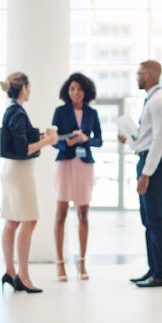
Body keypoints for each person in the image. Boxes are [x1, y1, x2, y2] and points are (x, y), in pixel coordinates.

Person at [0, 72, 58, 294]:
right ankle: (23, 275)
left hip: (10, 170)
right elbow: (23, 149)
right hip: (21, 172)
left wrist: (41, 137)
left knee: (12, 220)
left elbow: (18, 141)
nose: (30, 90)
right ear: (23, 88)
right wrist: (48, 141)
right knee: (29, 220)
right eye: (29, 87)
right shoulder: (18, 113)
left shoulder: (11, 111)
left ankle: (10, 271)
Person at [118, 60, 162, 288]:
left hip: (156, 163)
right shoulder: (152, 100)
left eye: (139, 74)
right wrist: (130, 140)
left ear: (150, 75)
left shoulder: (159, 101)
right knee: (148, 220)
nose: (137, 77)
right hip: (149, 160)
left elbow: (160, 141)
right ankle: (154, 269)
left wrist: (146, 173)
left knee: (156, 220)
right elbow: (148, 138)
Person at [51, 73, 103, 282]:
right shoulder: (60, 112)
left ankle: (81, 261)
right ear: (67, 91)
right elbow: (53, 139)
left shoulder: (92, 113)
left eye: (80, 89)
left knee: (83, 213)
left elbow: (99, 140)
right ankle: (60, 263)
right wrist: (67, 143)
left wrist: (86, 139)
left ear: (86, 92)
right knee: (61, 213)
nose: (76, 93)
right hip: (64, 162)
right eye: (72, 89)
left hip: (84, 165)